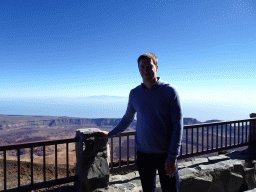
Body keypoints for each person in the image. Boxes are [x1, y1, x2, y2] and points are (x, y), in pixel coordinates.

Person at [95, 52, 183, 192]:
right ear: (138, 69)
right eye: (142, 67)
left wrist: (172, 157)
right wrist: (110, 134)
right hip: (143, 155)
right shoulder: (134, 93)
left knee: (171, 190)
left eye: (149, 66)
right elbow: (127, 118)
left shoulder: (170, 91)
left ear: (157, 67)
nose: (146, 70)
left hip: (165, 155)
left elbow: (178, 125)